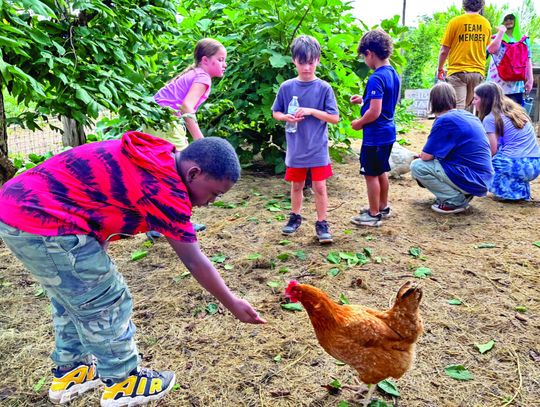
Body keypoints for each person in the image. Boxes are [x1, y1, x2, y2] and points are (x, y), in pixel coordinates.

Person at [0, 133, 266, 406]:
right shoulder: (164, 189)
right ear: (194, 173)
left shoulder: (158, 158)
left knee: (73, 299)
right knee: (106, 300)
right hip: (40, 220)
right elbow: (194, 261)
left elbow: (99, 193)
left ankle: (72, 371)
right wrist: (232, 303)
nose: (212, 201)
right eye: (214, 193)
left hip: (20, 209)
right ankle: (123, 382)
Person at [147, 38, 227, 235]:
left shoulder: (196, 73)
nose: (224, 64)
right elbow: (186, 108)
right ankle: (179, 222)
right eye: (220, 59)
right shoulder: (203, 77)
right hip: (166, 123)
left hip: (156, 121)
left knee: (164, 172)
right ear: (205, 60)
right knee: (184, 171)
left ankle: (155, 223)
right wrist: (201, 141)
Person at [271, 35, 340, 244]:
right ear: (294, 61)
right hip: (296, 147)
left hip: (317, 148)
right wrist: (286, 117)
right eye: (302, 63)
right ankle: (295, 216)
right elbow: (276, 112)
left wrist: (311, 111)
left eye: (311, 62)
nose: (307, 68)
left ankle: (322, 223)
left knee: (320, 187)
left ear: (318, 60)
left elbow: (334, 118)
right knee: (296, 185)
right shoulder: (286, 87)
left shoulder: (324, 88)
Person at [410, 82, 494, 213]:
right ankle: (463, 194)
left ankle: (454, 200)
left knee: (417, 166)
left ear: (433, 101)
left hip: (471, 178)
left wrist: (421, 156)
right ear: (453, 98)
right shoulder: (469, 116)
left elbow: (426, 157)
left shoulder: (444, 120)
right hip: (483, 178)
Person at [349, 29, 400, 227]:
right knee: (381, 171)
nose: (364, 61)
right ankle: (382, 206)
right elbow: (384, 101)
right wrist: (364, 100)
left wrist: (359, 123)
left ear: (369, 53)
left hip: (375, 135)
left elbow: (375, 112)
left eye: (364, 56)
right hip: (387, 133)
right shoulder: (392, 74)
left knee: (370, 173)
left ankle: (372, 214)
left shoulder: (376, 78)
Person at [473, 82, 540, 200]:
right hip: (535, 165)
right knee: (503, 153)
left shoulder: (490, 118)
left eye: (476, 98)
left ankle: (507, 193)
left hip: (518, 165)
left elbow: (491, 150)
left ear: (485, 100)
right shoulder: (516, 111)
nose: (473, 102)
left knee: (484, 163)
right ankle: (518, 189)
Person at [437, 0, 491, 110]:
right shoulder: (486, 24)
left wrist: (440, 69)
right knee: (468, 110)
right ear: (481, 6)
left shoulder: (455, 22)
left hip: (458, 72)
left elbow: (444, 50)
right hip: (477, 73)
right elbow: (487, 48)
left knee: (457, 110)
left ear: (464, 5)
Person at [486, 14, 534, 106]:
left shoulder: (524, 39)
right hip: (496, 86)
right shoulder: (494, 38)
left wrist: (530, 80)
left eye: (511, 18)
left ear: (515, 20)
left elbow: (528, 60)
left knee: (514, 116)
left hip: (516, 87)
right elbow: (491, 50)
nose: (508, 21)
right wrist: (500, 33)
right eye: (505, 19)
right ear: (501, 21)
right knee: (495, 115)